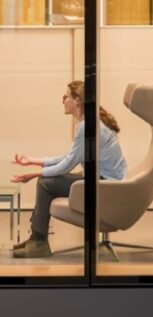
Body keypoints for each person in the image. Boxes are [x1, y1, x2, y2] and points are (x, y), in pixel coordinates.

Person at [9, 81, 128, 258]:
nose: (62, 100)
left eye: (66, 97)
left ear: (77, 101)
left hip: (104, 185)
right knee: (47, 180)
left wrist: (35, 174)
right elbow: (68, 157)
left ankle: (38, 241)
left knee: (45, 184)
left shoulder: (86, 125)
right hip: (104, 180)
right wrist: (32, 161)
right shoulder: (88, 121)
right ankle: (36, 238)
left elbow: (68, 163)